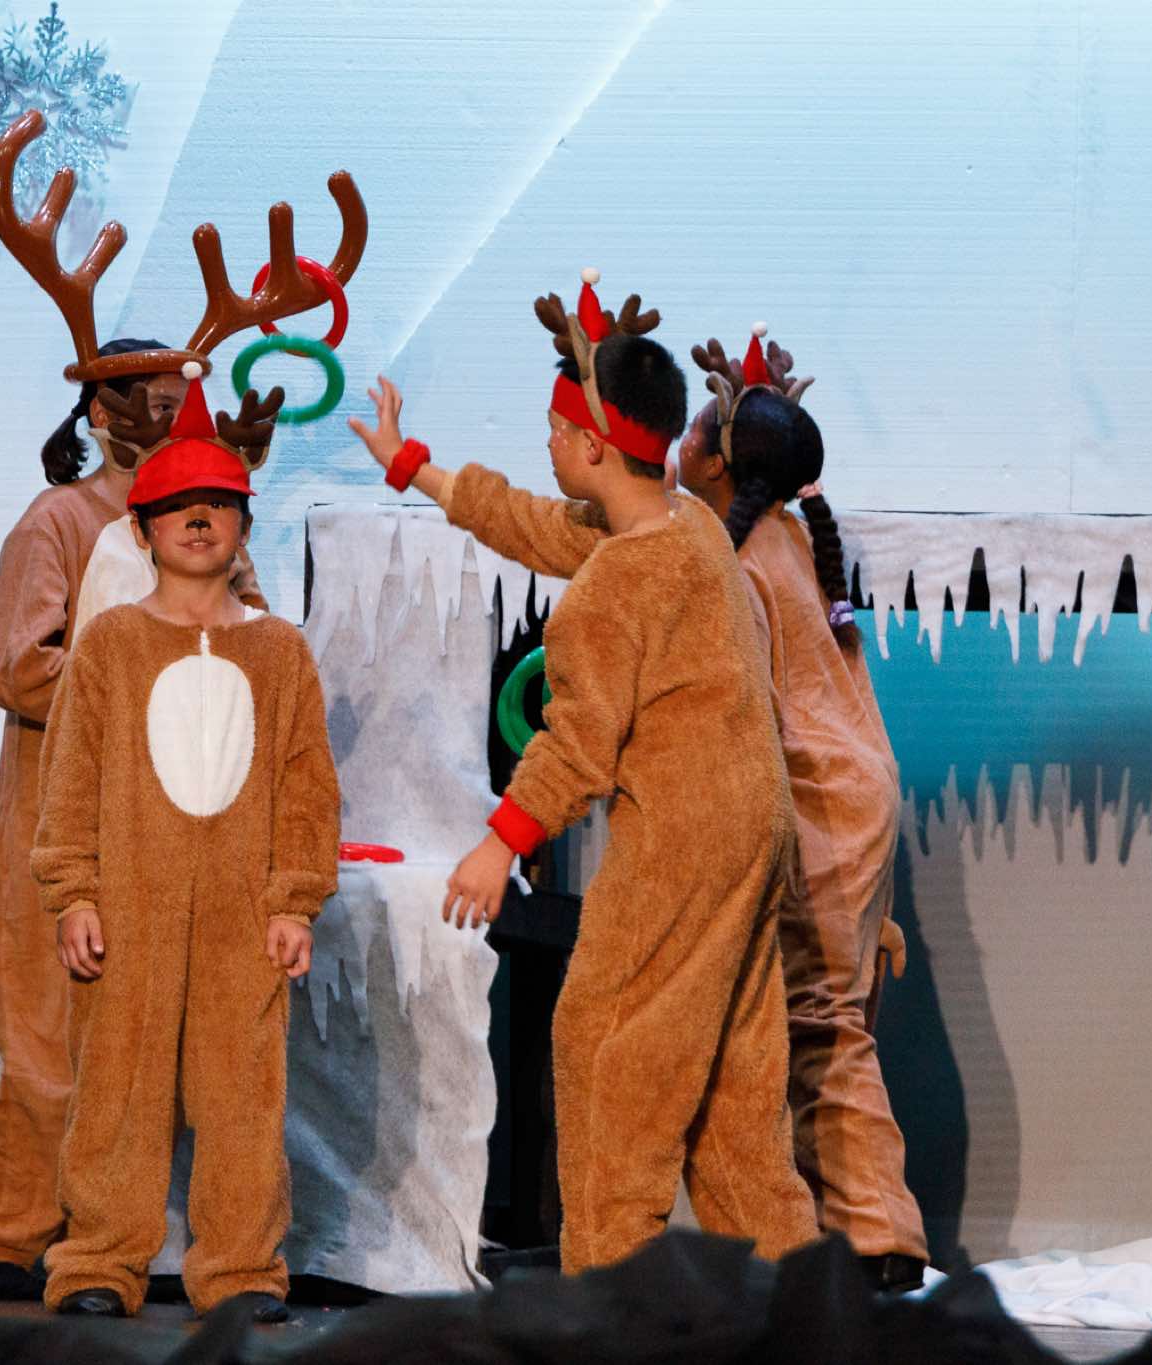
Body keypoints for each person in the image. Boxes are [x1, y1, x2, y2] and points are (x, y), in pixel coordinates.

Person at [348, 270, 819, 1273]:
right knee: (731, 1072)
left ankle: (609, 1285)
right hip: (752, 828)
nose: (549, 443)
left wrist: (498, 845)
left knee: (606, 1043)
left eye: (558, 430)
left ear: (595, 445)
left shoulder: (615, 586)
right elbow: (536, 523)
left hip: (682, 838)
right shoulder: (686, 525)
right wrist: (412, 466)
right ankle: (792, 1293)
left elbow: (577, 742)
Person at [0, 340, 264, 1302]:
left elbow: (248, 646)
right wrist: (138, 693)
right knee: (47, 1053)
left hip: (173, 825)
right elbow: (19, 666)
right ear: (97, 415)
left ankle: (105, 1255)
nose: (166, 420)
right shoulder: (58, 522)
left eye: (176, 403)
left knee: (136, 1052)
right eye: (148, 404)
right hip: (62, 818)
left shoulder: (198, 525)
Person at [32, 365, 339, 1321]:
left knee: (244, 1095)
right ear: (142, 528)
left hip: (243, 919)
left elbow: (305, 786)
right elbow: (70, 779)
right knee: (117, 1087)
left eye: (218, 503)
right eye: (175, 504)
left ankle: (241, 1268)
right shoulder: (111, 646)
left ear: (244, 523)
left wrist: (293, 901)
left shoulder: (279, 651)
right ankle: (99, 1259)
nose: (198, 519)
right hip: (131, 909)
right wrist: (75, 892)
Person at [678, 326, 925, 1292]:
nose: (680, 444)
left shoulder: (737, 557)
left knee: (821, 1021)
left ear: (721, 462)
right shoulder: (790, 533)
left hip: (819, 803)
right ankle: (848, 1229)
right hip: (858, 793)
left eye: (695, 432)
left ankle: (876, 1235)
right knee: (829, 1016)